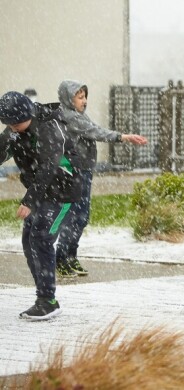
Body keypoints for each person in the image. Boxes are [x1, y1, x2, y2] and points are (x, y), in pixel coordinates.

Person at [0, 91, 82, 320]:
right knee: (29, 241)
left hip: (63, 191)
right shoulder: (15, 130)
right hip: (42, 190)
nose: (12, 127)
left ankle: (48, 300)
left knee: (41, 237)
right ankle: (44, 295)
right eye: (8, 123)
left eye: (15, 123)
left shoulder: (49, 127)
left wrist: (29, 201)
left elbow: (48, 166)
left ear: (27, 114)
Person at [54, 80, 148, 278]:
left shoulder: (78, 115)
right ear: (68, 99)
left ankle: (69, 257)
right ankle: (62, 258)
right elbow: (96, 132)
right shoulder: (71, 117)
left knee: (81, 216)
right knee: (76, 216)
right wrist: (123, 136)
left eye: (85, 96)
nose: (84, 101)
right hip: (76, 172)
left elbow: (94, 127)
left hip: (83, 170)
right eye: (80, 97)